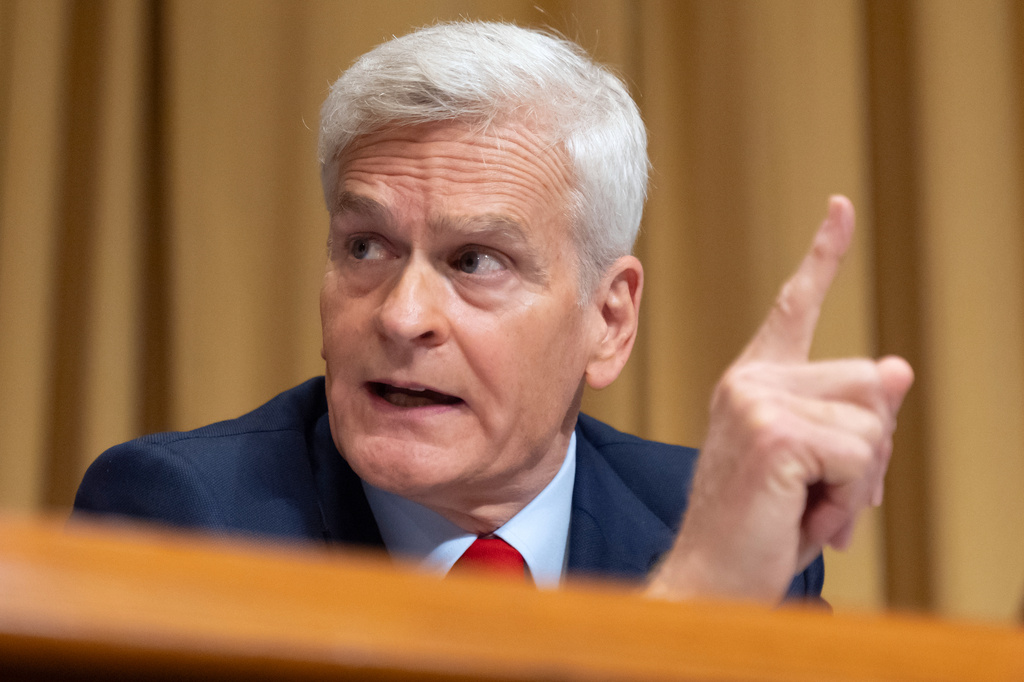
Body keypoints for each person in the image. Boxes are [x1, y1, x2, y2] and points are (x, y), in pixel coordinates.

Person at [74, 21, 913, 604]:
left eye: (476, 262)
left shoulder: (705, 521)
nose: (402, 318)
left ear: (609, 321)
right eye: (366, 247)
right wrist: (695, 604)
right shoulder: (183, 518)